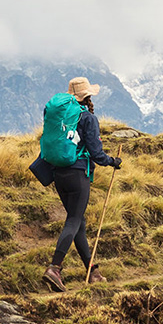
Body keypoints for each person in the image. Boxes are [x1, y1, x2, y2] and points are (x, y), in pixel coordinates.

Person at [28, 75, 122, 291]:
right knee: (73, 220)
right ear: (87, 95)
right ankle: (54, 268)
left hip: (58, 173)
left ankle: (93, 272)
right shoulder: (87, 118)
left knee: (79, 223)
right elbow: (97, 154)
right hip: (78, 174)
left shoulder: (60, 115)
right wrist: (112, 162)